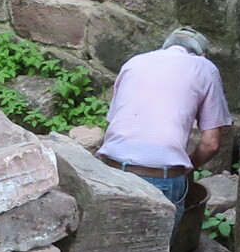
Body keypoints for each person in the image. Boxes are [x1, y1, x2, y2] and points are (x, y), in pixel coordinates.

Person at [97, 27, 232, 218]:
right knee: (155, 238)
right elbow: (211, 144)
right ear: (202, 55)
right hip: (160, 177)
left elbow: (113, 123)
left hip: (109, 170)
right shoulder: (205, 68)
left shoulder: (134, 62)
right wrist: (188, 166)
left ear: (164, 48)